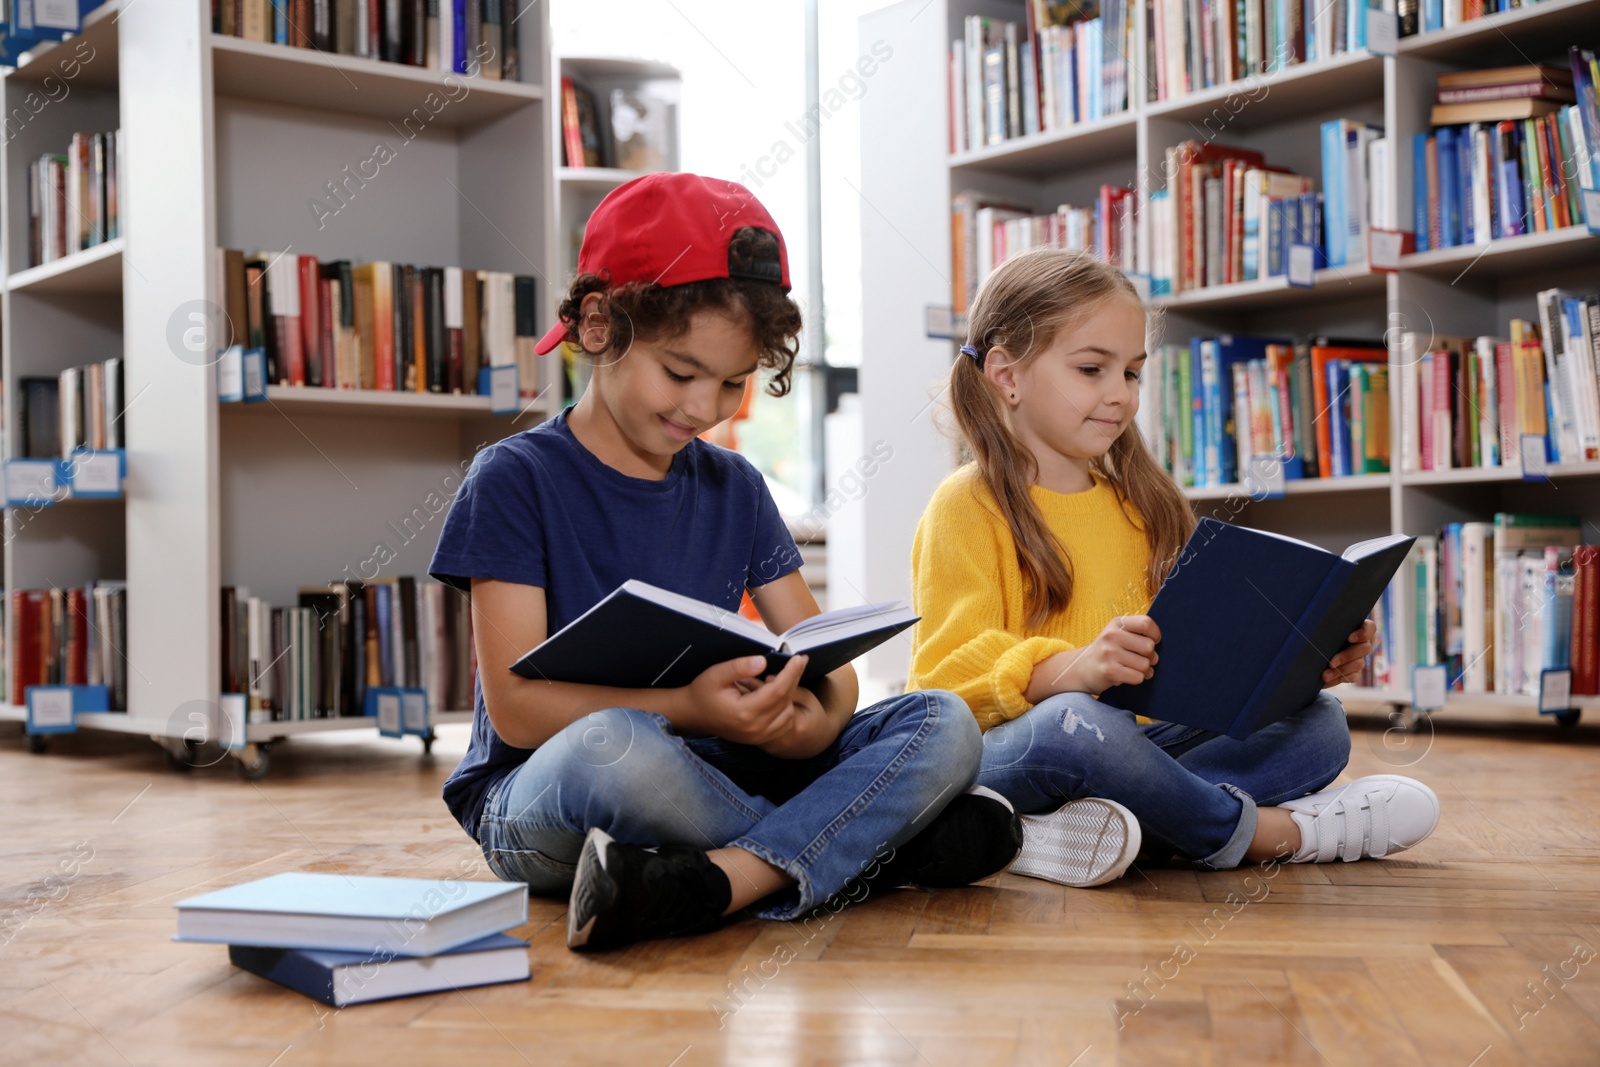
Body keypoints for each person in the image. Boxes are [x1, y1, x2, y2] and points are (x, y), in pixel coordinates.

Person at [429, 173, 1021, 952]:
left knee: (939, 717)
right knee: (619, 748)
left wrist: (817, 723)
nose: (704, 407)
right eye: (680, 373)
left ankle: (723, 877)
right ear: (600, 325)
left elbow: (825, 658)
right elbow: (515, 710)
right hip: (550, 792)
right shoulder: (513, 477)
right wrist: (693, 708)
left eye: (734, 383)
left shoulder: (735, 485)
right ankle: (878, 850)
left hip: (727, 770)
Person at [906, 247, 1439, 888]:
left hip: (1136, 754)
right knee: (1078, 722)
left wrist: (1298, 661)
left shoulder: (1145, 505)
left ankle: (1085, 831)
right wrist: (1077, 668)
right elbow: (943, 679)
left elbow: (1190, 665)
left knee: (1319, 724)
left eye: (1131, 373)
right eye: (1091, 369)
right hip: (1025, 752)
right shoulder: (967, 503)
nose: (1119, 395)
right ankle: (1268, 835)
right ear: (1006, 375)